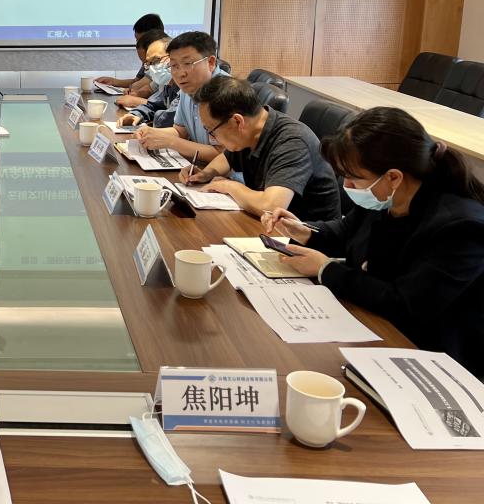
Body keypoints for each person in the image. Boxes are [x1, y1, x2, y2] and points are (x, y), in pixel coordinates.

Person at [264, 107, 484, 378]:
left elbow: (406, 305)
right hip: (373, 324)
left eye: (354, 178)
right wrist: (307, 232)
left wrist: (326, 269)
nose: (347, 186)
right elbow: (346, 232)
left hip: (431, 357)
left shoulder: (462, 227)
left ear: (393, 177)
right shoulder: (386, 198)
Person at [181, 75, 340, 221]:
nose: (212, 137)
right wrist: (206, 174)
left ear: (238, 121)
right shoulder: (251, 129)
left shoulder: (292, 142)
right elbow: (226, 158)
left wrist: (228, 186)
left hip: (308, 236)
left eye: (211, 130)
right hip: (272, 227)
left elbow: (272, 207)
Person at [131, 31, 224, 165]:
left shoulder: (226, 93)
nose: (180, 73)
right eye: (174, 65)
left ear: (210, 62)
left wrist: (171, 142)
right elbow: (180, 131)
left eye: (188, 63)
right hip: (199, 168)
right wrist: (152, 133)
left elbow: (223, 154)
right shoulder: (188, 87)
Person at [95, 12, 164, 96]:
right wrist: (114, 81)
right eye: (137, 40)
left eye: (142, 41)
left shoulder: (163, 59)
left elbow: (139, 86)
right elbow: (137, 82)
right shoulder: (148, 58)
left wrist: (134, 92)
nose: (138, 44)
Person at [117, 30, 179, 123]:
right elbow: (153, 105)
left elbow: (168, 118)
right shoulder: (169, 84)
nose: (152, 67)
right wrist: (135, 115)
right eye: (148, 63)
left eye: (156, 60)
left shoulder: (186, 85)